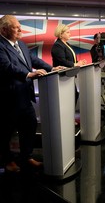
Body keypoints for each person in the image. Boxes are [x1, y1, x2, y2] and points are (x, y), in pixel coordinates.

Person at [0, 15, 64, 172]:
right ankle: (7, 161)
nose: (20, 30)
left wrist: (51, 68)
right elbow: (6, 67)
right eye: (16, 27)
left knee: (29, 125)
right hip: (8, 97)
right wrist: (28, 75)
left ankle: (26, 157)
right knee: (6, 131)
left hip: (24, 95)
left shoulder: (20, 44)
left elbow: (33, 59)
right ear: (4, 30)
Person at [51, 24, 86, 123]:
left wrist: (79, 62)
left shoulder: (66, 44)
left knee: (74, 95)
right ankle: (65, 119)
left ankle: (69, 118)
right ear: (61, 34)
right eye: (68, 32)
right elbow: (62, 61)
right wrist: (75, 64)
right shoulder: (57, 45)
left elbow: (70, 58)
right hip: (62, 76)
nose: (70, 34)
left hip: (69, 75)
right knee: (68, 97)